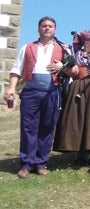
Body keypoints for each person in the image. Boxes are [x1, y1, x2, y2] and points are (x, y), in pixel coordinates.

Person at [5, 16, 73, 178]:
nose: (47, 28)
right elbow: (16, 70)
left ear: (55, 30)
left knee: (47, 127)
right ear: (38, 29)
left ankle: (41, 163)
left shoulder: (64, 49)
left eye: (50, 26)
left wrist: (62, 66)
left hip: (52, 92)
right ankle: (27, 164)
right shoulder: (27, 48)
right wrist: (11, 88)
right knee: (29, 127)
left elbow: (74, 72)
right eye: (44, 25)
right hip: (30, 93)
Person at [54, 30, 90, 165]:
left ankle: (89, 152)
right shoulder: (74, 56)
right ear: (86, 43)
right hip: (78, 89)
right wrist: (65, 67)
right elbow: (67, 72)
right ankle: (78, 151)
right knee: (77, 119)